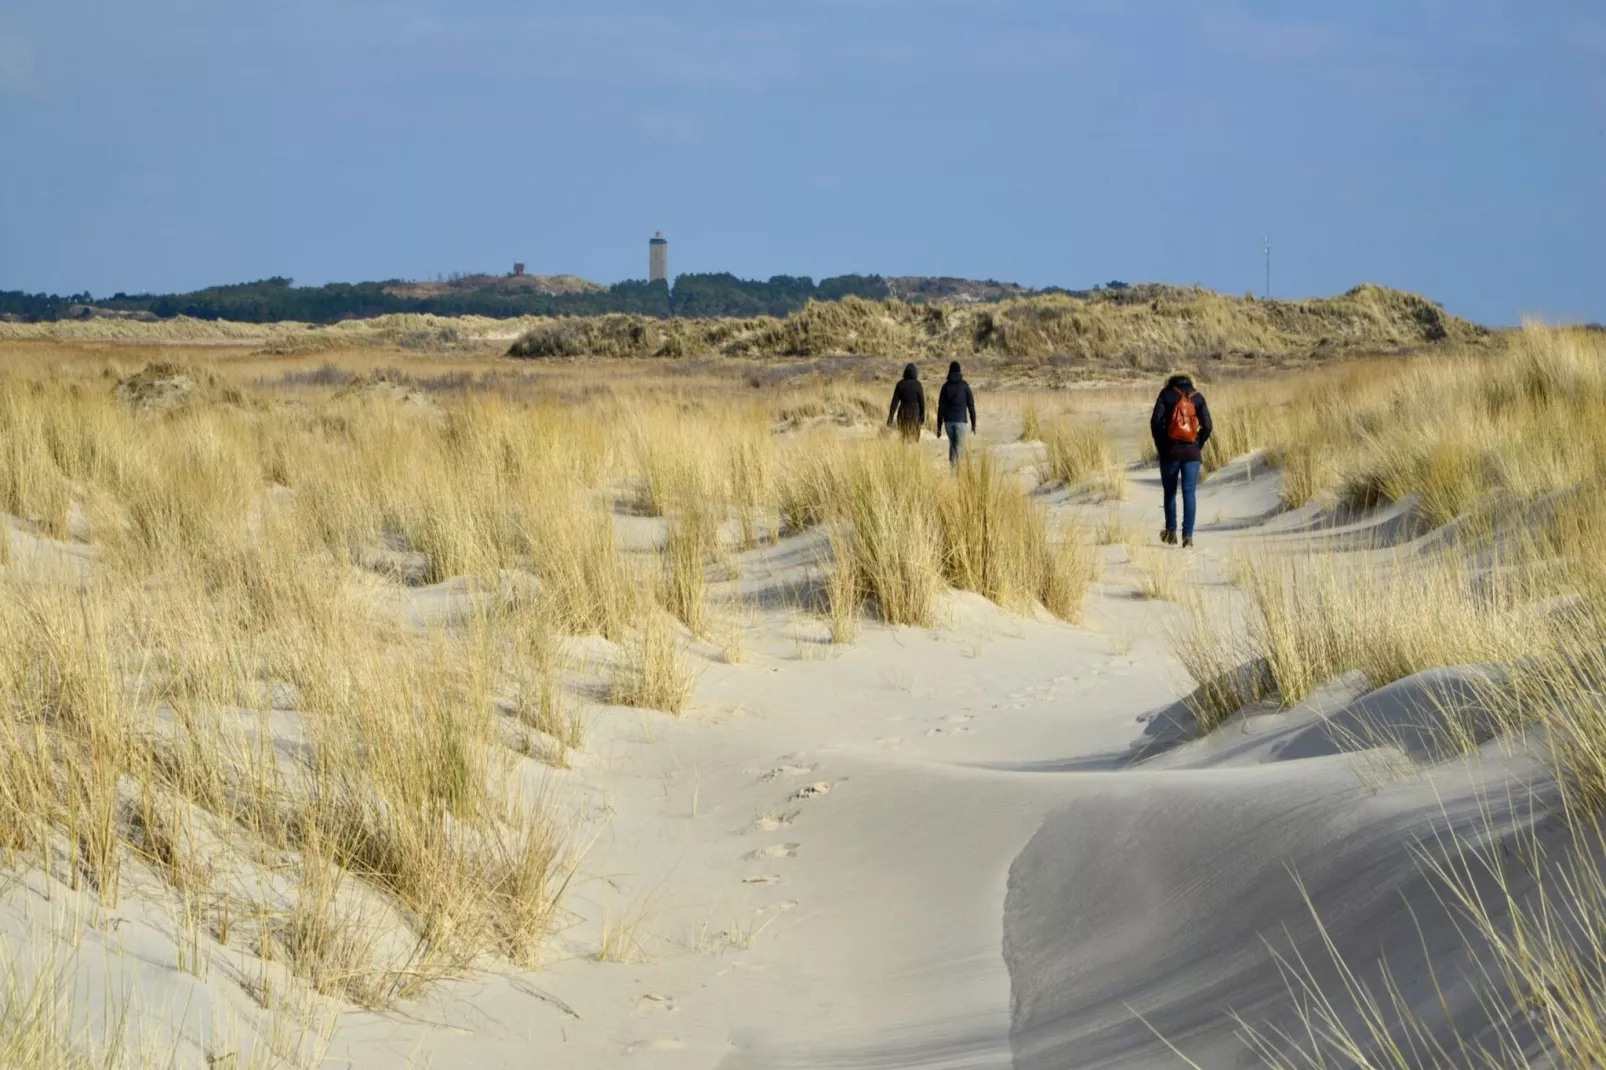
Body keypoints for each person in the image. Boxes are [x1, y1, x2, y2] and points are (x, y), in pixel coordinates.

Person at [1150, 373, 1213, 548]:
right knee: (1189, 492)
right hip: (1192, 452)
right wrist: (1197, 443)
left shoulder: (1165, 394)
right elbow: (1208, 426)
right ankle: (1188, 536)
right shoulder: (1197, 397)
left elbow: (1155, 422)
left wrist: (1162, 445)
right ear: (1191, 381)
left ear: (1171, 381)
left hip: (1170, 452)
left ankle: (1171, 531)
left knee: (1170, 492)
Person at [935, 361, 977, 468]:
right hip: (961, 421)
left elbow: (941, 408)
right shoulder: (964, 385)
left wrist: (939, 427)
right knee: (959, 447)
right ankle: (958, 472)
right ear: (959, 371)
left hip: (948, 422)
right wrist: (973, 423)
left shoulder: (945, 387)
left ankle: (952, 470)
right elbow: (971, 405)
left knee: (953, 445)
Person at [887, 363, 926, 443]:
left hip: (903, 414)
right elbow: (922, 402)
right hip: (915, 415)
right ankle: (913, 454)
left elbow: (894, 403)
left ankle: (904, 454)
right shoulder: (918, 385)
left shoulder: (900, 384)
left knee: (903, 437)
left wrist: (890, 418)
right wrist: (922, 417)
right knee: (915, 440)